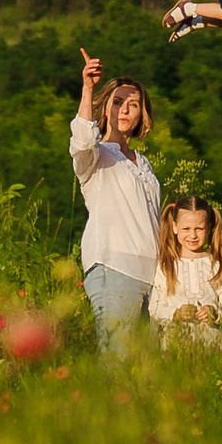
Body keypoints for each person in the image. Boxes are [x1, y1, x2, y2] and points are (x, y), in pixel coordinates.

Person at [70, 48, 160, 356]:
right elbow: (82, 142)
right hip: (115, 268)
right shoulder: (97, 155)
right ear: (105, 108)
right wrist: (88, 88)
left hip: (154, 277)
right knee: (117, 363)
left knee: (148, 369)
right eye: (117, 102)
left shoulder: (144, 163)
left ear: (141, 115)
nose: (124, 110)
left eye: (132, 105)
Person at [148, 195, 222, 346]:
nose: (193, 235)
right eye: (186, 229)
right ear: (175, 227)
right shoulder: (167, 265)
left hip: (212, 345)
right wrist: (175, 314)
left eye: (199, 229)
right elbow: (154, 308)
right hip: (175, 345)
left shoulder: (216, 264)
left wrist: (215, 312)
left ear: (208, 228)